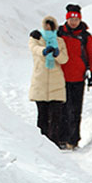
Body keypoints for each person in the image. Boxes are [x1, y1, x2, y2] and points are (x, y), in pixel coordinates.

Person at [57, 3, 92, 150]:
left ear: (80, 20)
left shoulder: (85, 36)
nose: (74, 22)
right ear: (67, 19)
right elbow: (46, 42)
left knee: (75, 110)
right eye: (71, 19)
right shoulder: (59, 33)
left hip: (78, 79)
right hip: (61, 78)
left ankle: (73, 140)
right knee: (62, 109)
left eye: (76, 19)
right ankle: (61, 138)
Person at [28, 15, 68, 148]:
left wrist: (57, 54)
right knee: (42, 117)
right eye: (47, 27)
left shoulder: (60, 41)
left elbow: (64, 59)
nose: (49, 29)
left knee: (56, 117)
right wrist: (44, 51)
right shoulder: (36, 39)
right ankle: (42, 144)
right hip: (40, 82)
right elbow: (34, 49)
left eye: (51, 27)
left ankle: (54, 144)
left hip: (56, 83)